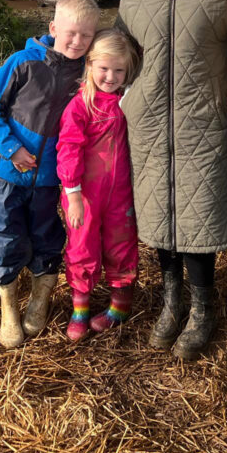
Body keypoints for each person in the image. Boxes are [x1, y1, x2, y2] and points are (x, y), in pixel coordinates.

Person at [118, 0, 227, 361]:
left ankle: (203, 306)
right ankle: (171, 300)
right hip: (150, 121)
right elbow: (123, 44)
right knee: (158, 213)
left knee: (196, 216)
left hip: (203, 119)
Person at [0, 0, 100, 349]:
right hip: (6, 173)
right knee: (5, 232)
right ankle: (8, 306)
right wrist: (11, 147)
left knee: (47, 234)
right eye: (71, 33)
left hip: (50, 178)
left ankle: (40, 296)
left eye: (86, 36)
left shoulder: (87, 76)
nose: (77, 42)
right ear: (53, 27)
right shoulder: (23, 62)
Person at [57, 29, 139, 341]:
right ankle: (81, 308)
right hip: (85, 196)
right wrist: (73, 194)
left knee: (121, 244)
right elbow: (68, 149)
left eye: (119, 70)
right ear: (90, 65)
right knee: (81, 246)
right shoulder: (79, 107)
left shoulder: (126, 101)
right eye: (104, 68)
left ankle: (120, 304)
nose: (111, 76)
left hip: (120, 193)